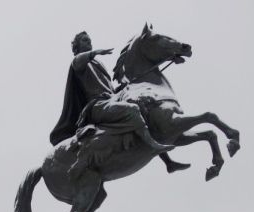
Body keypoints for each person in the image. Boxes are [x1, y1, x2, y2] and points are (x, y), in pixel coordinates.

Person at [49, 31, 186, 178]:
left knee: (146, 111)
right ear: (76, 47)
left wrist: (118, 89)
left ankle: (168, 162)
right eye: (84, 40)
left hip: (110, 100)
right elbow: (78, 62)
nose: (88, 42)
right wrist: (94, 53)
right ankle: (152, 144)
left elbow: (106, 88)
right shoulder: (79, 61)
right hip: (97, 106)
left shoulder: (97, 63)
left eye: (89, 40)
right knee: (132, 110)